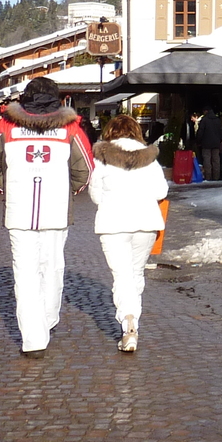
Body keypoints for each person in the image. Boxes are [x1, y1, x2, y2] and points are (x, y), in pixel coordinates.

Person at [0, 77, 93, 355]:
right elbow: (85, 167)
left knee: (24, 273)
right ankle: (49, 319)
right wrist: (71, 189)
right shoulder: (71, 127)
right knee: (53, 266)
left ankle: (33, 339)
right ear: (57, 98)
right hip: (56, 208)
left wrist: (5, 188)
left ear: (25, 97)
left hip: (19, 210)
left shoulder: (5, 124)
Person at [88, 114, 167, 352]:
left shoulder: (103, 159)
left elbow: (95, 194)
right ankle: (133, 318)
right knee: (135, 272)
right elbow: (161, 190)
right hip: (145, 221)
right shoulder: (149, 158)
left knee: (121, 275)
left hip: (113, 222)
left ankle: (128, 321)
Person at [192, 106, 222, 181]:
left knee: (207, 160)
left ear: (205, 111)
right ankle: (216, 176)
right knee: (216, 160)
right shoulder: (217, 120)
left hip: (206, 143)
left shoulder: (204, 120)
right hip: (216, 144)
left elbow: (200, 132)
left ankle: (208, 177)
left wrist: (198, 141)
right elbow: (221, 132)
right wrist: (219, 141)